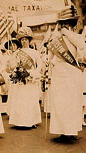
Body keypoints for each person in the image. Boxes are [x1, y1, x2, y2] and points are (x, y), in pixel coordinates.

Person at [47, 4, 86, 140]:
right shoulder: (55, 39)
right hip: (59, 73)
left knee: (72, 102)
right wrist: (50, 62)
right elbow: (50, 57)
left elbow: (81, 47)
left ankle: (71, 130)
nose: (65, 26)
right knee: (60, 102)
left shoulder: (77, 37)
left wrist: (67, 34)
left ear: (72, 24)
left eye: (68, 23)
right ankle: (62, 131)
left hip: (72, 73)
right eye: (63, 24)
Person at [7, 27, 42, 128]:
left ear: (29, 40)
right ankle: (20, 122)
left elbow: (39, 64)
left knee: (31, 100)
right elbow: (12, 66)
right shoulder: (17, 53)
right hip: (20, 79)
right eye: (22, 39)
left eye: (26, 39)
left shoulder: (35, 52)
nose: (24, 41)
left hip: (30, 78)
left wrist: (34, 73)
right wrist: (12, 62)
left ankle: (32, 121)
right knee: (20, 101)